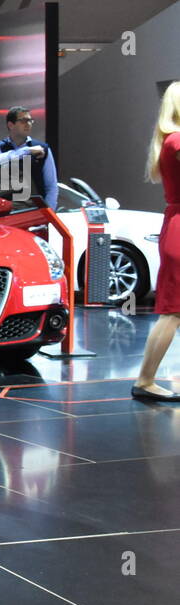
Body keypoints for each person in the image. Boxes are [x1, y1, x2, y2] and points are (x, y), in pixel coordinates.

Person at [132, 81, 180, 402]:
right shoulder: (176, 141)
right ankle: (146, 380)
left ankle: (146, 379)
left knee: (174, 311)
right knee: (173, 311)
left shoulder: (170, 141)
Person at [0, 106, 59, 211]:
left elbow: (51, 186)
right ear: (11, 125)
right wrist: (26, 151)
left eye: (30, 121)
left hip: (34, 211)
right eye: (23, 121)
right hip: (4, 210)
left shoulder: (43, 149)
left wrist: (48, 214)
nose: (28, 124)